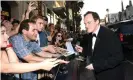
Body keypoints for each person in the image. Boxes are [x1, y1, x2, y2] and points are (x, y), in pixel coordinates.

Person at [0, 24, 68, 79]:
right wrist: (42, 64)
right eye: (2, 33)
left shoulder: (31, 41)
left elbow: (14, 64)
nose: (7, 36)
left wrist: (57, 57)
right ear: (24, 31)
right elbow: (6, 68)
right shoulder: (16, 39)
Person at [75, 11, 124, 80]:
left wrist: (95, 66)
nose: (86, 26)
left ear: (97, 21)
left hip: (111, 76)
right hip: (99, 76)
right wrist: (83, 50)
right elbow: (94, 51)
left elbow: (118, 57)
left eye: (89, 23)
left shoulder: (109, 35)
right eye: (85, 23)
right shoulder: (90, 35)